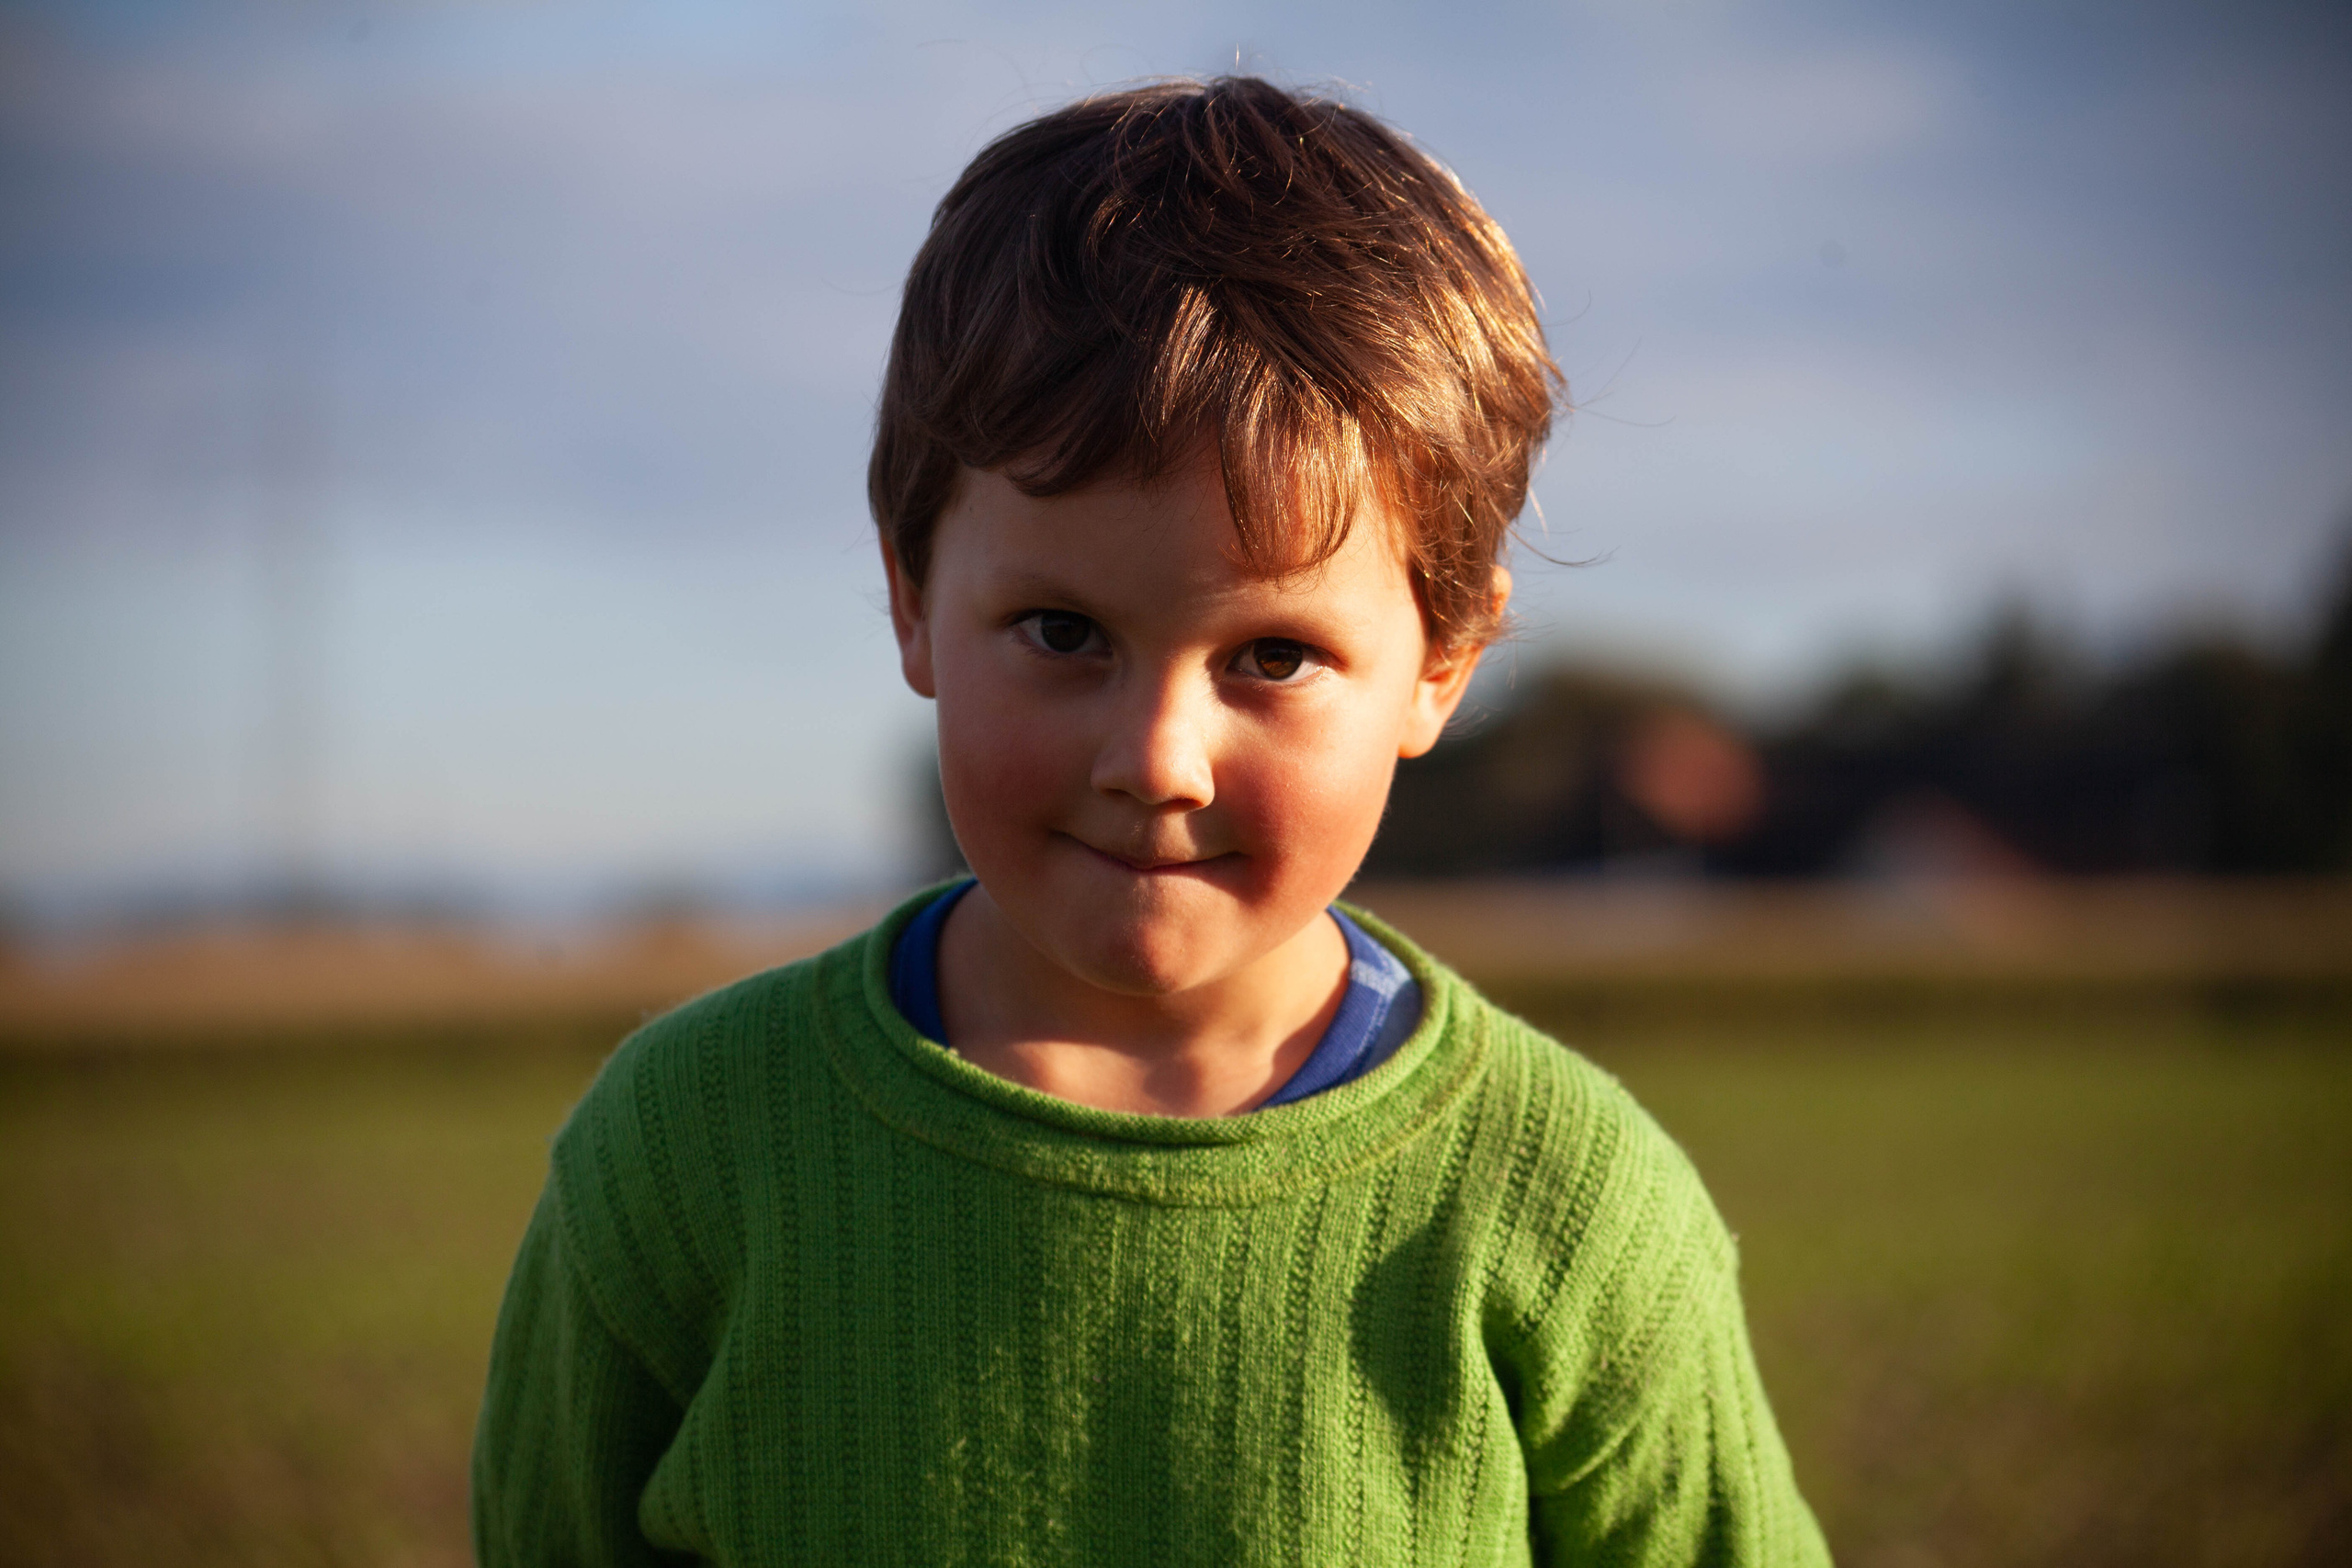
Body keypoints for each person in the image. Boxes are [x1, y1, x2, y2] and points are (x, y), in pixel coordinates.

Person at [473, 76, 1828, 1566]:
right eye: (1061, 632)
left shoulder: (1568, 1209)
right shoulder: (685, 1155)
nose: (1158, 758)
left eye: (1273, 657)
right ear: (914, 596)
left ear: (1441, 663)